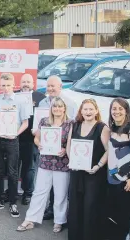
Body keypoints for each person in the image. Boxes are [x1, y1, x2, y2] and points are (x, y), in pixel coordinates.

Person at [17, 97, 72, 233]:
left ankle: (59, 221)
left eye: (60, 106)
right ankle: (30, 219)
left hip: (62, 163)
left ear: (64, 108)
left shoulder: (70, 123)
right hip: (45, 162)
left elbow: (71, 142)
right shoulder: (44, 121)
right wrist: (39, 144)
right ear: (51, 109)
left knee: (60, 194)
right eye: (55, 106)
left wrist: (65, 149)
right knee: (39, 192)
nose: (57, 109)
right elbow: (37, 138)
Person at [66, 99, 110, 240]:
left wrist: (97, 166)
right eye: (85, 109)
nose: (88, 112)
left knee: (91, 205)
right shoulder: (75, 125)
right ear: (81, 111)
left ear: (96, 111)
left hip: (94, 173)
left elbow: (108, 150)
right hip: (77, 171)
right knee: (76, 203)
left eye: (91, 109)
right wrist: (72, 160)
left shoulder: (102, 127)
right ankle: (77, 238)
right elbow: (69, 146)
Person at [0, 73, 30, 218]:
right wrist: (0, 114)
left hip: (13, 140)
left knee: (12, 173)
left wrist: (16, 134)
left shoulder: (21, 100)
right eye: (3, 85)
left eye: (8, 85)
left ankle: (13, 202)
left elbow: (26, 123)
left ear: (13, 85)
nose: (5, 88)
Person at [39, 75, 78, 220]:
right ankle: (51, 209)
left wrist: (66, 148)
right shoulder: (43, 102)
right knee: (47, 184)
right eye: (48, 86)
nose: (50, 89)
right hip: (47, 151)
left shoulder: (70, 103)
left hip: (62, 153)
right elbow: (40, 125)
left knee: (61, 187)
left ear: (60, 87)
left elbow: (72, 129)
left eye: (53, 86)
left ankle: (61, 215)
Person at [106, 98, 130, 240]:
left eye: (120, 109)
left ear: (126, 110)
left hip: (127, 182)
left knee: (127, 217)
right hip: (112, 180)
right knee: (117, 215)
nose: (116, 111)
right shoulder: (112, 128)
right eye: (114, 109)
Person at [16, 74, 45, 205]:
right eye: (23, 82)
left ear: (33, 84)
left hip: (31, 139)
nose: (26, 84)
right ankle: (12, 192)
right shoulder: (14, 95)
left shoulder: (40, 97)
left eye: (28, 82)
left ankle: (28, 193)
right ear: (19, 84)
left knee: (29, 168)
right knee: (13, 166)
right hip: (14, 138)